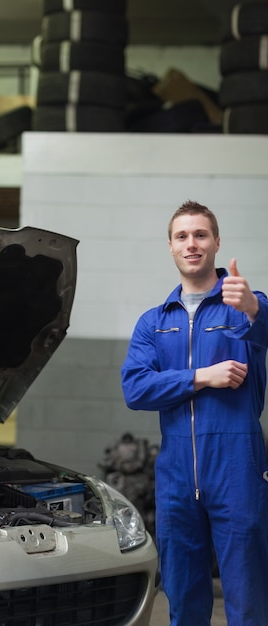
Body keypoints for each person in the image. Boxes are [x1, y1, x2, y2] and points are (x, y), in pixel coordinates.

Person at [121, 200, 268, 626]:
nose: (192, 244)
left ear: (216, 243)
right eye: (182, 236)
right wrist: (203, 376)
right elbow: (135, 388)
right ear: (170, 246)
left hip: (237, 468)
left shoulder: (243, 306)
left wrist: (254, 309)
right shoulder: (154, 322)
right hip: (176, 475)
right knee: (183, 598)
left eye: (201, 234)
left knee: (247, 595)